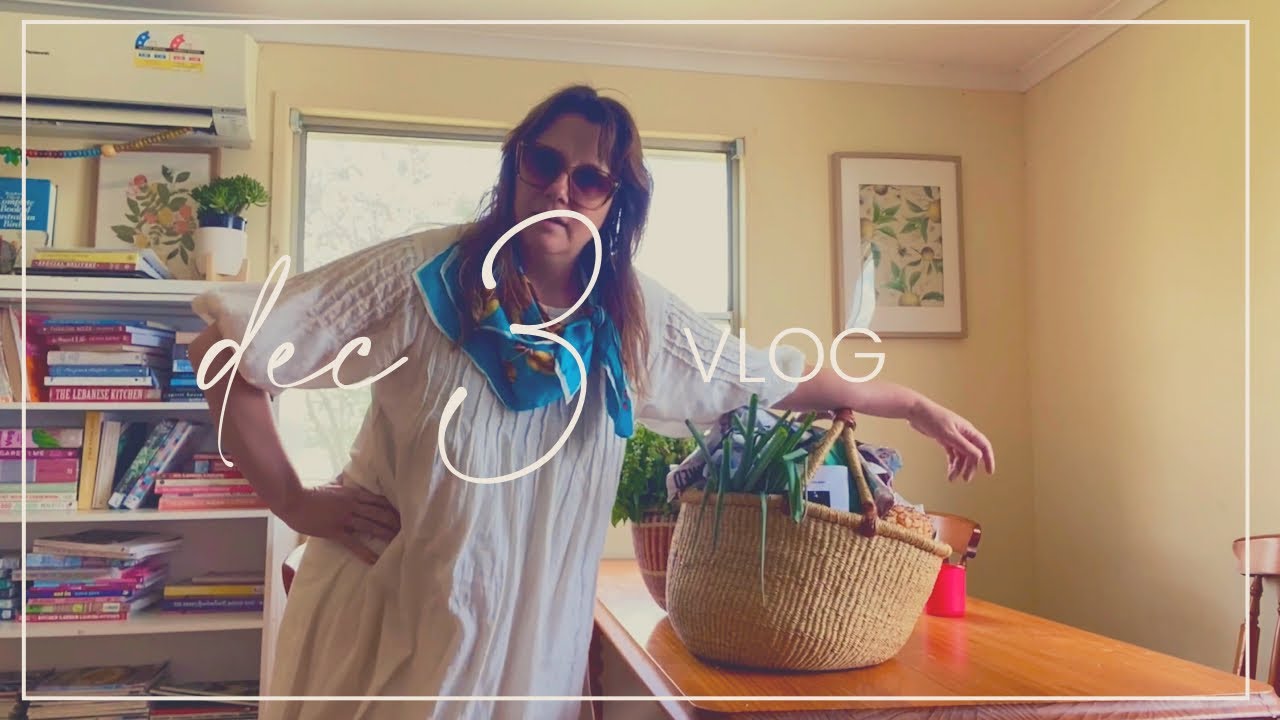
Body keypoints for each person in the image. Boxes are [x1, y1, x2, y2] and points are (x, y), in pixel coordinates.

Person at [187, 84, 995, 720]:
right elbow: (224, 350)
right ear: (515, 167)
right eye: (542, 161)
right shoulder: (421, 278)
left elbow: (767, 378)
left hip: (530, 659)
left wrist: (908, 402)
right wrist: (293, 500)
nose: (558, 188)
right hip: (391, 643)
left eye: (590, 177)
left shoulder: (634, 320)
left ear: (616, 202)